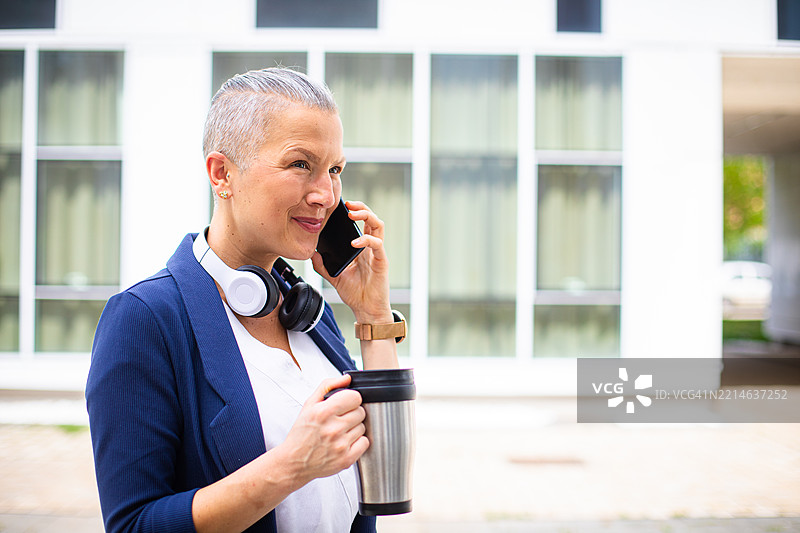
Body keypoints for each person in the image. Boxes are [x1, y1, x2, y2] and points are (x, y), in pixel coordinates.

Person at [86, 67, 402, 533]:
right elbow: (134, 524)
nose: (325, 195)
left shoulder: (308, 313)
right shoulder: (145, 320)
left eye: (334, 169)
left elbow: (388, 483)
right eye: (301, 164)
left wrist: (373, 314)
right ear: (222, 174)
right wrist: (290, 466)